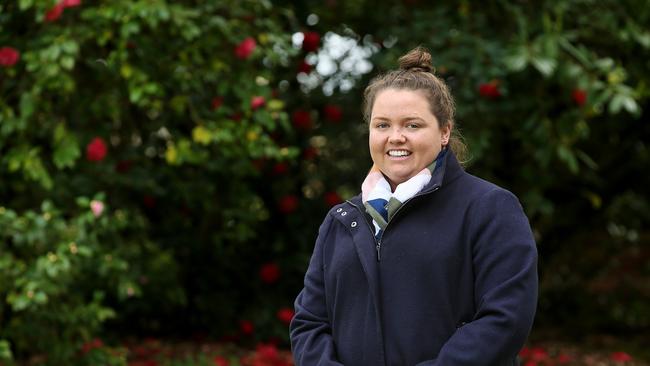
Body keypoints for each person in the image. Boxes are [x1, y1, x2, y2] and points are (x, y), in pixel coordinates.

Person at [290, 47, 538, 366]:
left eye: (412, 125)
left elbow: (505, 320)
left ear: (444, 132)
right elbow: (309, 323)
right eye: (382, 125)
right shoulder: (342, 220)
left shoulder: (490, 208)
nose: (395, 137)